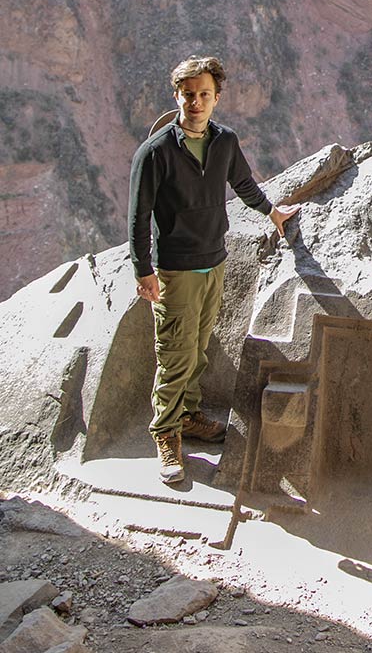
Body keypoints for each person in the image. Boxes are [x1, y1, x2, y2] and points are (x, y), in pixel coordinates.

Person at [128, 55, 300, 484]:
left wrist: (272, 211)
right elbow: (138, 214)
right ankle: (165, 434)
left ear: (217, 97)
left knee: (200, 346)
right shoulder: (155, 152)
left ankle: (188, 416)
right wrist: (143, 270)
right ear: (177, 96)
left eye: (204, 94)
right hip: (174, 270)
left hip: (214, 261)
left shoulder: (224, 141)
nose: (196, 102)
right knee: (175, 354)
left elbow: (243, 184)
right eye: (189, 94)